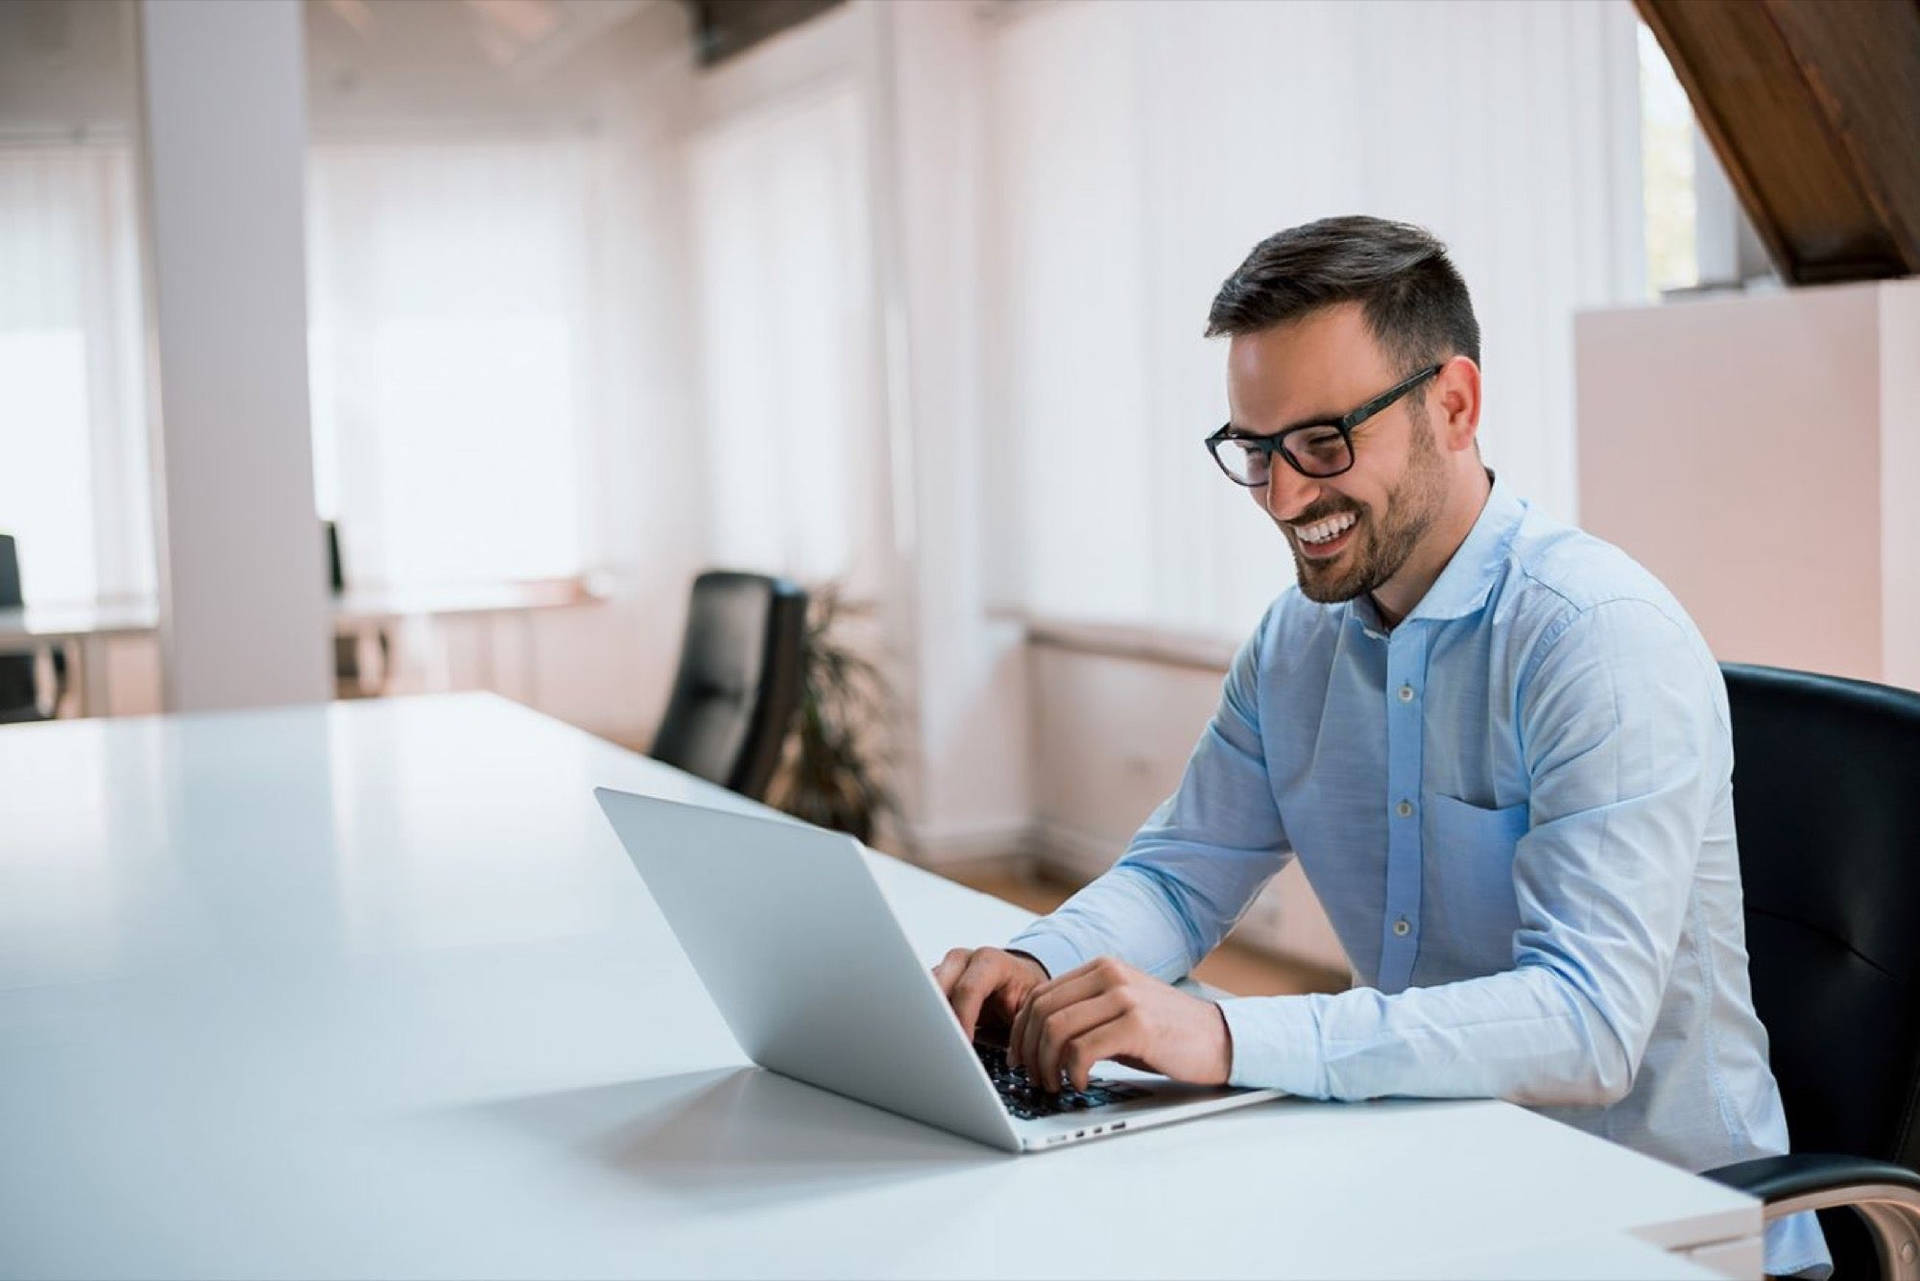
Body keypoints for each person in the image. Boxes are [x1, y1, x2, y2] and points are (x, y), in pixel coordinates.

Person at [934, 216, 1828, 1278]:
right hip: (1425, 1175)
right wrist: (1037, 966)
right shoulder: (1295, 642)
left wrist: (1224, 1038)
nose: (1283, 495)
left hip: (1660, 1229)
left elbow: (1587, 1022)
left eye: (1322, 442)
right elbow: (1182, 879)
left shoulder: (1594, 639)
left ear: (1454, 405)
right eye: (1254, 450)